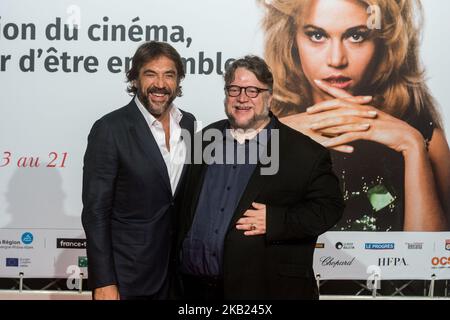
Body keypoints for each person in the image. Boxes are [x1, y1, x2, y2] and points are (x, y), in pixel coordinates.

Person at [260, 0, 450, 231]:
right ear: (291, 40)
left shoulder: (423, 137)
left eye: (356, 36)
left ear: (383, 40)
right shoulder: (261, 131)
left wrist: (412, 146)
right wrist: (273, 137)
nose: (337, 59)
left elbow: (429, 257)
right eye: (317, 36)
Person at [176, 55, 344, 300]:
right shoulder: (204, 139)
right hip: (195, 290)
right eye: (234, 89)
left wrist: (277, 220)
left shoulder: (303, 152)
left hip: (265, 290)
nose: (242, 98)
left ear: (270, 97)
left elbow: (331, 208)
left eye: (253, 90)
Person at [81, 41, 195, 300]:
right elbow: (95, 212)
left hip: (176, 276)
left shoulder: (187, 124)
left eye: (169, 75)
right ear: (135, 79)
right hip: (128, 276)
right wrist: (104, 281)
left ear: (178, 82)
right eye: (150, 74)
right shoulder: (110, 129)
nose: (160, 84)